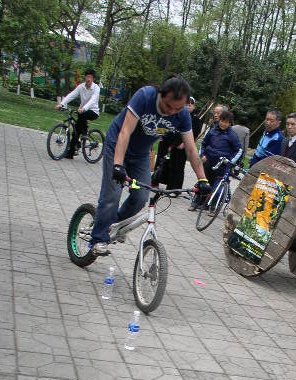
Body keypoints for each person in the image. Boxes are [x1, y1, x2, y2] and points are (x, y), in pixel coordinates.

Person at [89, 75, 211, 255]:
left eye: (177, 109)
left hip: (140, 155)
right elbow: (125, 132)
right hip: (117, 146)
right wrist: (118, 165)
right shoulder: (145, 96)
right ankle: (98, 238)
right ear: (160, 94)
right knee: (112, 195)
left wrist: (202, 179)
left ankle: (113, 224)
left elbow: (191, 149)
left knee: (141, 197)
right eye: (168, 106)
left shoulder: (183, 115)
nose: (171, 112)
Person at [152, 96, 203, 190]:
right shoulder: (176, 114)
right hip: (168, 141)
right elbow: (167, 127)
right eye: (185, 105)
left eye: (189, 105)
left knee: (177, 166)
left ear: (194, 106)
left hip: (183, 145)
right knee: (161, 161)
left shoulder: (196, 120)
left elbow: (194, 133)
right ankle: (155, 181)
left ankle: (174, 188)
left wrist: (183, 143)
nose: (187, 107)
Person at [56, 69, 100, 159]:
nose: (88, 79)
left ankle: (84, 133)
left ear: (93, 79)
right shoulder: (81, 87)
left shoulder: (96, 88)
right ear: (85, 77)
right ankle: (71, 153)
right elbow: (71, 95)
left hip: (93, 112)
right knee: (75, 132)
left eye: (91, 77)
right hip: (82, 111)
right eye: (87, 77)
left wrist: (84, 108)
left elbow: (93, 100)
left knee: (81, 118)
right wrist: (61, 104)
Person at [199, 109, 242, 187]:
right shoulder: (212, 131)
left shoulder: (232, 135)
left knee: (214, 187)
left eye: (226, 122)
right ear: (219, 120)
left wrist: (230, 161)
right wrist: (202, 155)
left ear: (229, 123)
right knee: (202, 184)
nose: (223, 124)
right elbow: (203, 144)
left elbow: (239, 150)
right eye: (222, 121)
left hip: (221, 166)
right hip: (207, 162)